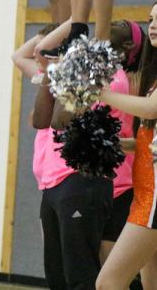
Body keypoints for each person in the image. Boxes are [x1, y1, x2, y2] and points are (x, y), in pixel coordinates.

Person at [32, 19, 144, 289]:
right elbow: (41, 119)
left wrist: (69, 66)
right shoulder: (85, 66)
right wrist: (52, 71)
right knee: (57, 278)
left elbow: (61, 119)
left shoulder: (111, 76)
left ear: (129, 45)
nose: (116, 22)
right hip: (54, 182)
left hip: (83, 181)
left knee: (84, 277)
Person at [96, 3, 157, 290]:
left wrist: (101, 93)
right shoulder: (153, 76)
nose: (153, 25)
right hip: (144, 191)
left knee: (108, 283)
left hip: (154, 197)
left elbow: (150, 108)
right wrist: (127, 145)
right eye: (151, 19)